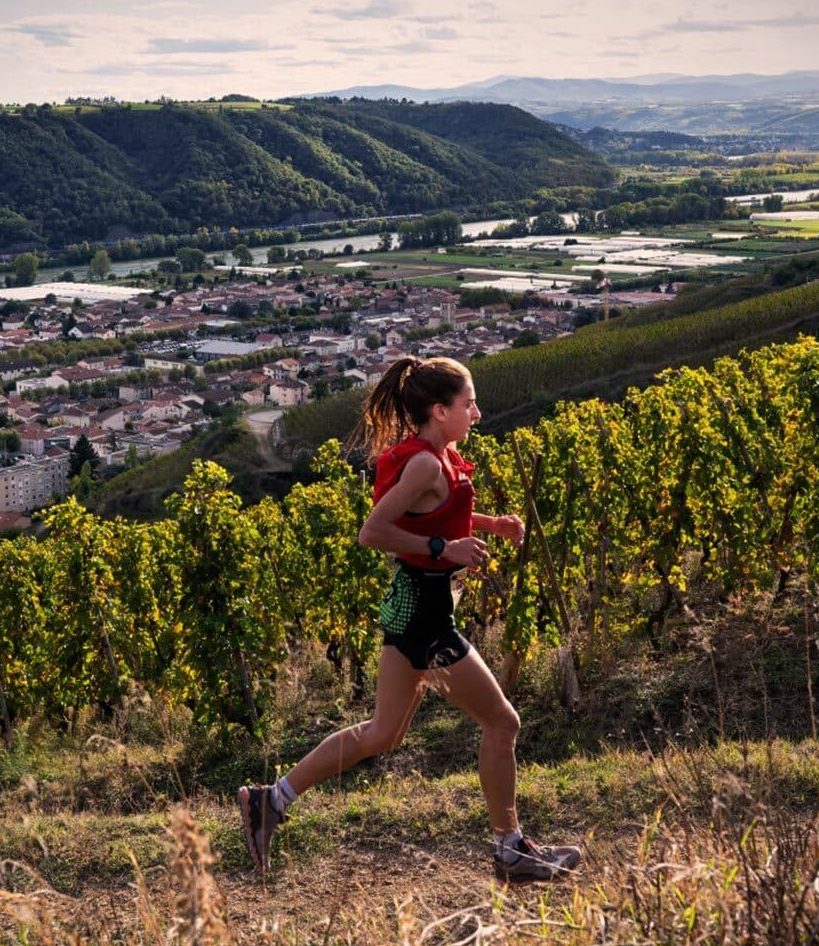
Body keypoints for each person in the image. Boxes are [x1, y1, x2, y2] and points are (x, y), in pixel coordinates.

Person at [239, 355, 583, 883]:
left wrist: (491, 525)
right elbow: (373, 533)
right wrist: (446, 547)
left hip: (412, 606)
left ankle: (272, 799)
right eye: (468, 404)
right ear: (440, 410)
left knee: (383, 733)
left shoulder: (436, 458)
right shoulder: (425, 463)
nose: (477, 412)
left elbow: (436, 512)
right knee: (502, 722)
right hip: (426, 616)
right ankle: (511, 849)